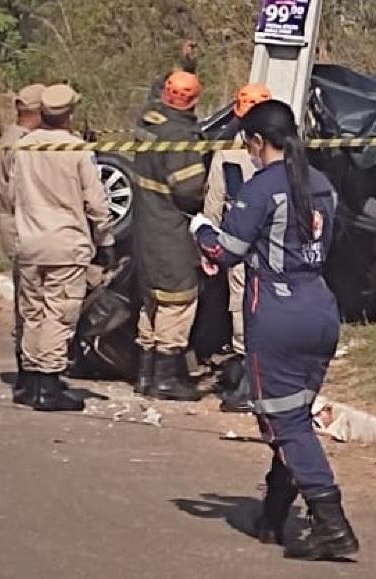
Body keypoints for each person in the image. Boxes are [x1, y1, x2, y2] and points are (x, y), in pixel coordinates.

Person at [190, 100, 359, 561]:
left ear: (258, 141)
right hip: (320, 307)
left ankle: (331, 522)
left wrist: (201, 229)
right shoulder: (321, 183)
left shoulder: (262, 187)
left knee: (284, 423)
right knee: (294, 418)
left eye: (247, 141)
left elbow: (227, 252)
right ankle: (275, 511)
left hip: (277, 314)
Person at [10, 84, 116, 411]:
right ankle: (49, 383)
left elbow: (12, 193)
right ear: (69, 114)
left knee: (33, 311)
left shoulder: (23, 147)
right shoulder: (77, 150)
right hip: (66, 243)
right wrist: (105, 239)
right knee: (59, 312)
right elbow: (96, 202)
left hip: (28, 241)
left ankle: (30, 380)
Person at [132, 69, 207, 401]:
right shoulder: (180, 137)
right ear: (193, 100)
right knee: (178, 301)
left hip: (145, 226)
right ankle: (165, 380)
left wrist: (184, 62)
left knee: (151, 300)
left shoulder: (150, 121)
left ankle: (144, 376)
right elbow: (189, 189)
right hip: (169, 227)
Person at [203, 83, 272, 410]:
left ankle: (246, 379)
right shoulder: (281, 153)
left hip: (237, 241)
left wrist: (209, 247)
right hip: (273, 242)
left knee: (241, 303)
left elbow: (214, 206)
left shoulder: (227, 156)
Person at [0, 83, 46, 404]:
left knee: (26, 301)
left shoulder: (7, 139)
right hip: (24, 224)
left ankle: (28, 371)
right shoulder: (23, 146)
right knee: (34, 303)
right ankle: (31, 376)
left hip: (11, 225)